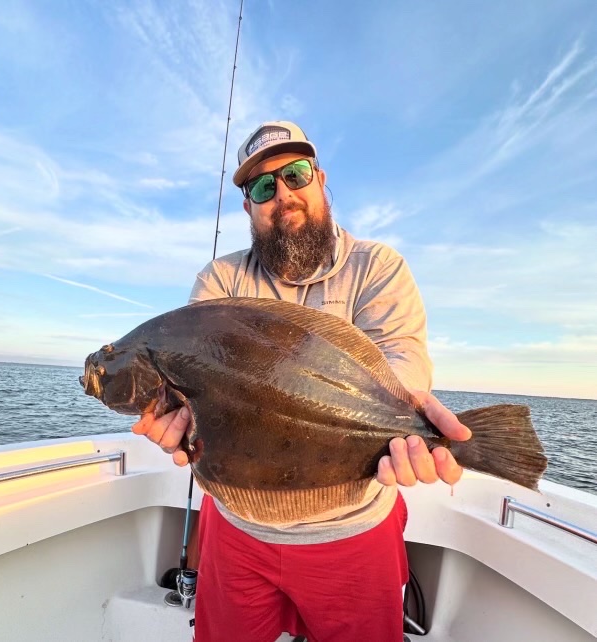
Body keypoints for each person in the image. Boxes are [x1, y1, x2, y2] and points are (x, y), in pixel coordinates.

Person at [133, 121, 471, 642]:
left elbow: (401, 358)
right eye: (262, 187)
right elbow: (197, 385)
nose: (282, 194)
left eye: (295, 174)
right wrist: (176, 423)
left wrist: (406, 419)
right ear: (247, 206)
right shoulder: (221, 281)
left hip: (354, 527)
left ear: (320, 179)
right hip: (239, 525)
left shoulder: (376, 267)